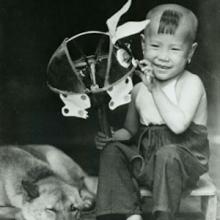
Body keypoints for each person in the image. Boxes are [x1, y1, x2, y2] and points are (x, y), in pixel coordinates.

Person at [95, 4, 209, 220]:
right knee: (113, 151)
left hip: (183, 165)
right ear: (142, 44)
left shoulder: (192, 83)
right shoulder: (139, 90)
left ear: (190, 52)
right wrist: (111, 137)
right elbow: (130, 131)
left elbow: (178, 125)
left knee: (167, 155)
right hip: (149, 163)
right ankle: (130, 215)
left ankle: (163, 216)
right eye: (155, 46)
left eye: (174, 49)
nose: (163, 57)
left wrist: (154, 88)